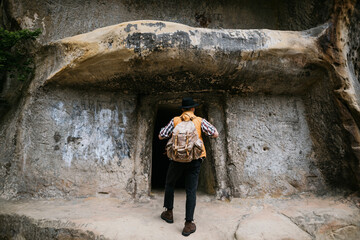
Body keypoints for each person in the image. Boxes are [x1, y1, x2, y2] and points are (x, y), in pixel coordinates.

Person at [158, 97, 219, 237]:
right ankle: (188, 224)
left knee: (169, 184)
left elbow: (161, 136)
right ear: (193, 108)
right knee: (191, 190)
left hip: (176, 159)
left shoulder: (175, 120)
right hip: (194, 159)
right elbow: (215, 133)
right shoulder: (199, 121)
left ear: (182, 109)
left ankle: (168, 213)